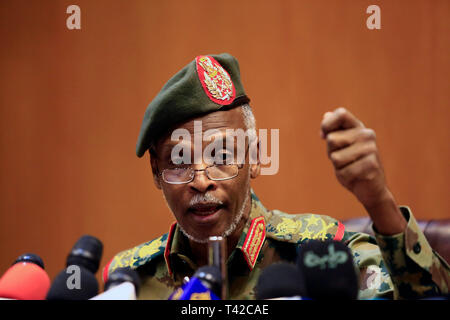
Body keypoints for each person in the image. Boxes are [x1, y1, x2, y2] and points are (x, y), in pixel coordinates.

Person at [103, 53, 450, 299]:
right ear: (156, 173)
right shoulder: (129, 281)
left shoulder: (326, 256)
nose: (201, 180)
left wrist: (378, 202)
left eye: (221, 155)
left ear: (254, 158)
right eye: (178, 162)